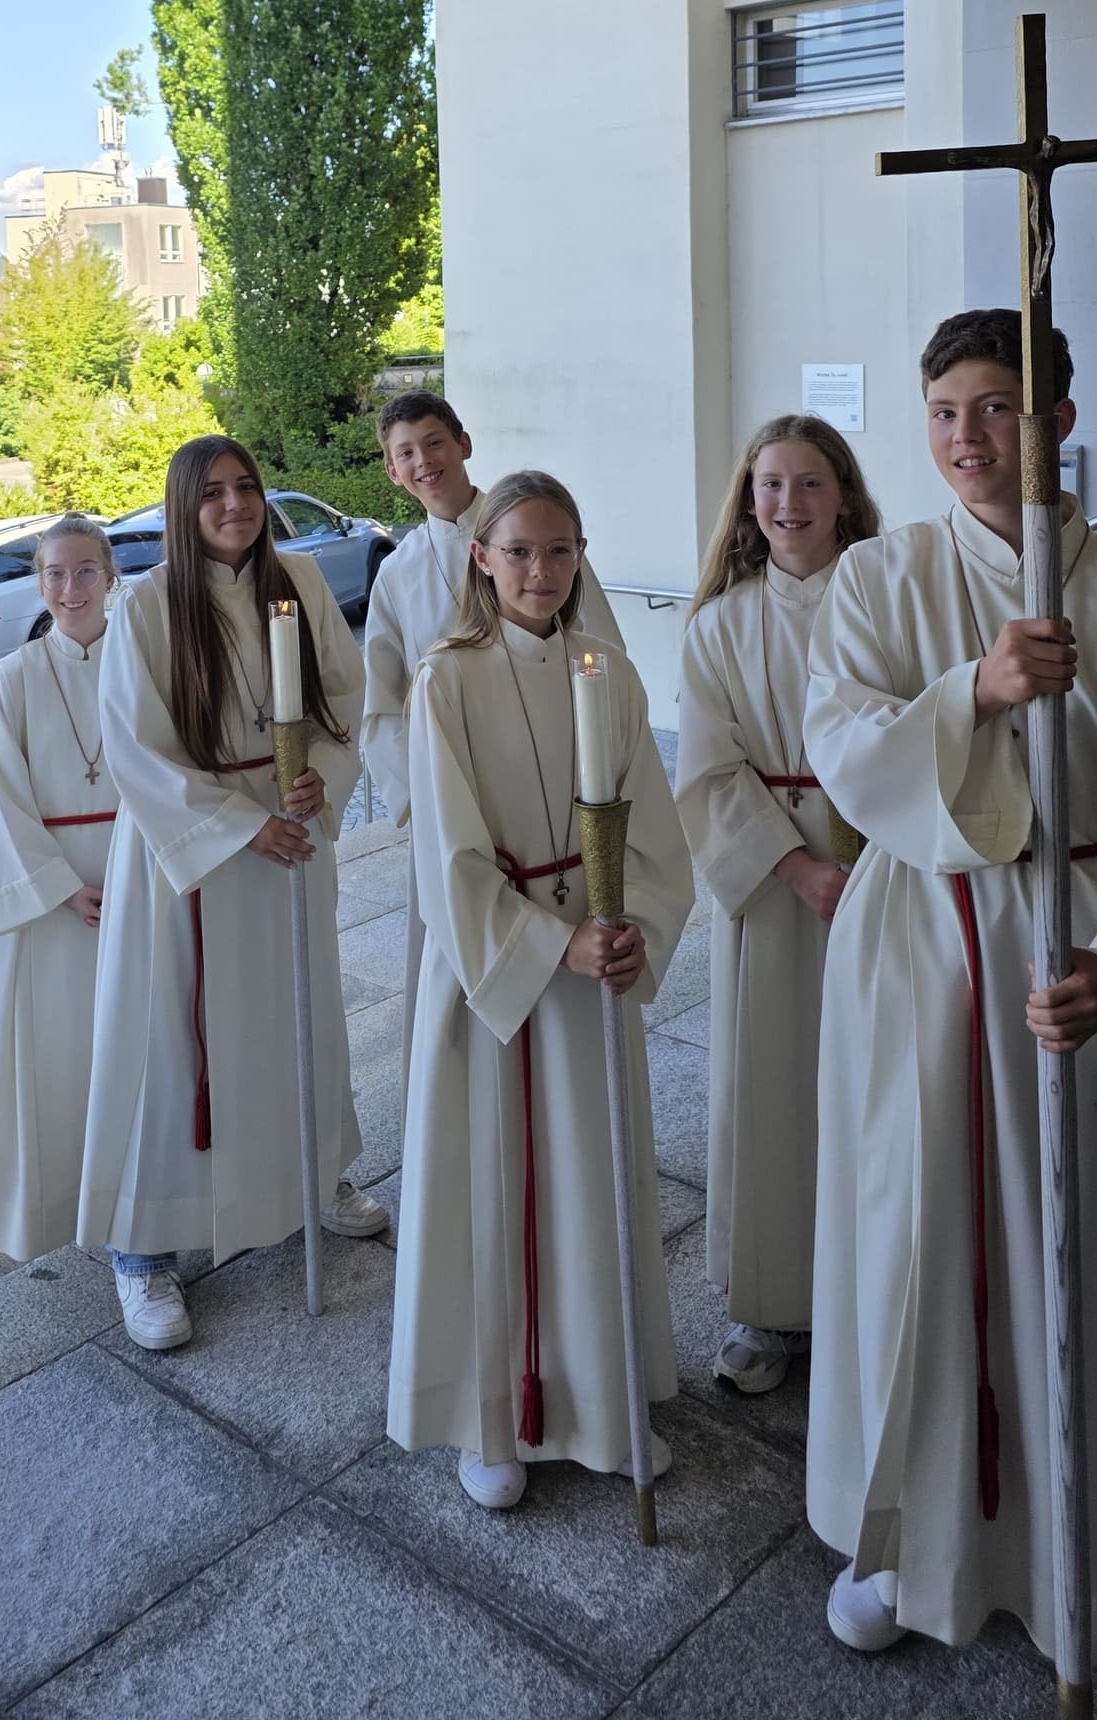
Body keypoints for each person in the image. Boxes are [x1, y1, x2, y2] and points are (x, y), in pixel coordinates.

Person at [805, 310, 1097, 1720]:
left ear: (1059, 420)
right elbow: (844, 751)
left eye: (1000, 405)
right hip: (927, 958)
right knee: (922, 1247)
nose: (969, 436)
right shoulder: (879, 582)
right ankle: (914, 1544)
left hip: (1089, 976)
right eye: (945, 408)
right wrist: (978, 691)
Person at [389, 470, 693, 1510]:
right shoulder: (445, 678)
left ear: (581, 555)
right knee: (490, 1186)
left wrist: (631, 928)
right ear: (480, 557)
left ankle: (605, 1406)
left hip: (593, 959)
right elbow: (449, 853)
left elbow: (653, 825)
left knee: (588, 1183)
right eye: (516, 550)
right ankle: (491, 1417)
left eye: (559, 550)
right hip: (496, 972)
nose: (539, 571)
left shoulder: (608, 669)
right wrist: (549, 944)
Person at [78, 435, 386, 1351]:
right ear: (184, 505)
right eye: (211, 492)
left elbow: (346, 694)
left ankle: (310, 1172)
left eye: (246, 487)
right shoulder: (145, 607)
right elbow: (134, 745)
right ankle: (145, 1245)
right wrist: (243, 824)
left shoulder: (298, 583)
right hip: (195, 856)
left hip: (291, 829)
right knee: (171, 1037)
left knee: (299, 1009)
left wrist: (318, 780)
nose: (234, 505)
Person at [673, 415, 880, 1397]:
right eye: (769, 485)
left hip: (886, 872)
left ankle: (878, 1287)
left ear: (843, 492)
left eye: (808, 483)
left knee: (879, 1084)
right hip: (776, 886)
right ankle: (769, 1302)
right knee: (772, 1091)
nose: (788, 503)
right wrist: (797, 868)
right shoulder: (720, 623)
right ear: (748, 503)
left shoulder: (891, 596)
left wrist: (880, 857)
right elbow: (708, 775)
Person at [361, 390, 624, 1104]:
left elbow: (594, 660)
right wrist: (420, 801)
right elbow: (381, 707)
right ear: (390, 472)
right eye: (405, 453)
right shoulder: (398, 572)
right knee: (464, 984)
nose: (424, 462)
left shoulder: (529, 529)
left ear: (465, 443)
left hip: (543, 797)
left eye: (434, 443)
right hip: (451, 802)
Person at [0, 514, 119, 1263]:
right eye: (54, 575)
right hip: (57, 898)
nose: (69, 589)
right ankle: (68, 1205)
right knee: (60, 1058)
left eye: (85, 571)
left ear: (110, 575)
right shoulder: (13, 677)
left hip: (137, 882)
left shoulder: (140, 660)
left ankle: (142, 1207)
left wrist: (142, 874)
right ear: (39, 582)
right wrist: (61, 888)